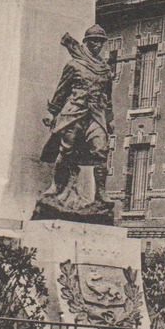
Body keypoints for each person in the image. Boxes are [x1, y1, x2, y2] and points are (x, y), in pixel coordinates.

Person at [41, 24, 114, 209]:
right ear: (86, 43)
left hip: (96, 114)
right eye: (94, 41)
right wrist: (52, 112)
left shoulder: (105, 69)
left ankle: (101, 195)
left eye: (101, 41)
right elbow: (62, 91)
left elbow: (108, 97)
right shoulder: (74, 65)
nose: (98, 45)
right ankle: (56, 187)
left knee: (101, 150)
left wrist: (109, 119)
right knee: (66, 151)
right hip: (74, 112)